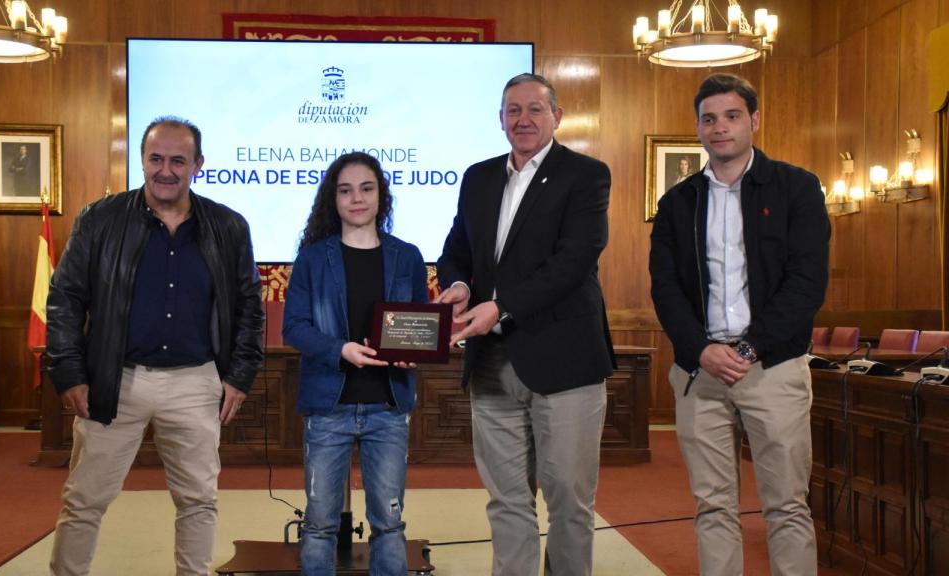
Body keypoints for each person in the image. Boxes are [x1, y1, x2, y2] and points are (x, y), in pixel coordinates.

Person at [45, 116, 265, 576]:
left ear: (198, 165)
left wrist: (240, 376)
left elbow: (248, 307)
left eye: (178, 161)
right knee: (84, 501)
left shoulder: (228, 227)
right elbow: (65, 297)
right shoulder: (99, 219)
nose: (166, 170)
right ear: (142, 161)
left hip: (195, 383)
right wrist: (69, 371)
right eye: (156, 159)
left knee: (199, 502)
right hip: (114, 380)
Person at [434, 73, 614, 576]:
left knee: (570, 505)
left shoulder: (586, 175)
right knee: (507, 501)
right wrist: (461, 286)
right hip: (491, 364)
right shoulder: (478, 176)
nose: (524, 119)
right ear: (500, 120)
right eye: (513, 110)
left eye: (535, 109)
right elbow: (456, 251)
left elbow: (573, 262)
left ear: (557, 116)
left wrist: (500, 306)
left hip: (566, 362)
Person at [649, 73, 829, 576]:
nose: (719, 128)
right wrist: (701, 349)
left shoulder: (797, 188)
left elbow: (806, 283)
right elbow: (665, 289)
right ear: (698, 127)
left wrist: (749, 349)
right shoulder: (678, 202)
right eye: (709, 119)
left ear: (753, 120)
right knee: (712, 507)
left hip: (771, 368)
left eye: (731, 116)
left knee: (787, 506)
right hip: (699, 372)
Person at [282, 152, 428, 576]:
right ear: (334, 199)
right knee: (321, 524)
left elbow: (420, 325)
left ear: (382, 196)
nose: (357, 198)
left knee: (389, 523)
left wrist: (412, 350)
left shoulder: (408, 257)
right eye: (345, 190)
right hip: (329, 406)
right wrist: (340, 349)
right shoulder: (312, 258)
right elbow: (294, 328)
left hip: (389, 405)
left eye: (367, 188)